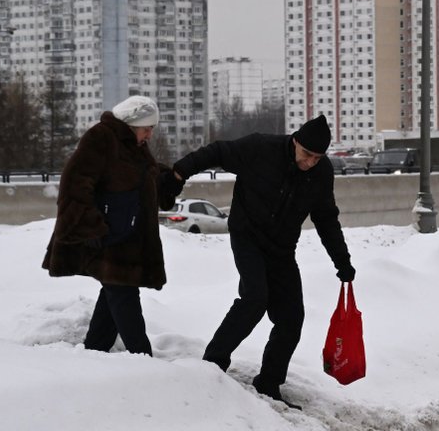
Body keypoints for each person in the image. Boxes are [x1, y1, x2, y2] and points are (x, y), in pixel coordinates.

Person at [171, 114, 355, 408]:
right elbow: (217, 152)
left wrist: (341, 261)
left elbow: (326, 218)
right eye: (306, 154)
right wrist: (180, 172)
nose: (310, 162)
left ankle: (269, 383)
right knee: (255, 298)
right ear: (295, 141)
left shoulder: (321, 174)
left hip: (282, 249)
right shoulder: (260, 148)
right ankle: (212, 366)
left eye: (317, 158)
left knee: (292, 318)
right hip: (248, 238)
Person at [43, 95, 182, 356]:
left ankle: (94, 351)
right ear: (132, 124)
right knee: (123, 294)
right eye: (146, 128)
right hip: (108, 236)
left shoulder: (134, 145)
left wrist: (168, 179)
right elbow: (74, 184)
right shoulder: (101, 138)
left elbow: (143, 177)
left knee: (114, 294)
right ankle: (143, 359)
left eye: (152, 129)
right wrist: (90, 226)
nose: (150, 135)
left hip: (127, 236)